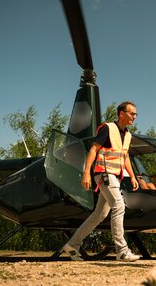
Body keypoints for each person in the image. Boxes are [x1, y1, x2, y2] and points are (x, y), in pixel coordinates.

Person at [62, 101, 140, 262]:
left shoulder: (128, 135)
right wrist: (86, 173)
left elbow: (124, 157)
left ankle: (72, 245)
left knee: (100, 214)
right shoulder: (107, 128)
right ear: (121, 113)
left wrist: (132, 176)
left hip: (114, 176)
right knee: (119, 205)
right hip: (103, 174)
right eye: (132, 113)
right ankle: (122, 250)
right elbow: (93, 149)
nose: (134, 117)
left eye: (135, 114)